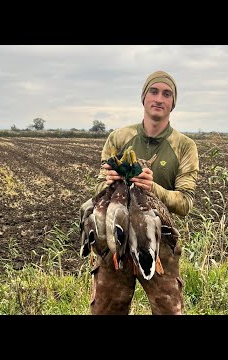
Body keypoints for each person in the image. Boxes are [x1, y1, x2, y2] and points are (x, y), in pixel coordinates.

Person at [90, 70, 199, 315]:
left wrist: (153, 188)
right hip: (116, 241)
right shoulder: (118, 138)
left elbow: (185, 203)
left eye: (167, 94)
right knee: (106, 312)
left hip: (159, 245)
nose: (159, 98)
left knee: (168, 312)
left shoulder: (184, 146)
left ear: (173, 103)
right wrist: (109, 182)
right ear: (144, 98)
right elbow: (97, 190)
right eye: (154, 91)